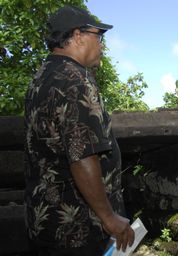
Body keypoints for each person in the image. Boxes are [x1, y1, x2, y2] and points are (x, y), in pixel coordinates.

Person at [24, 5, 134, 255]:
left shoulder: (40, 78)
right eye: (99, 36)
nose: (102, 45)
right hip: (80, 230)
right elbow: (82, 155)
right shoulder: (75, 79)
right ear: (77, 35)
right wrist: (109, 217)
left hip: (45, 224)